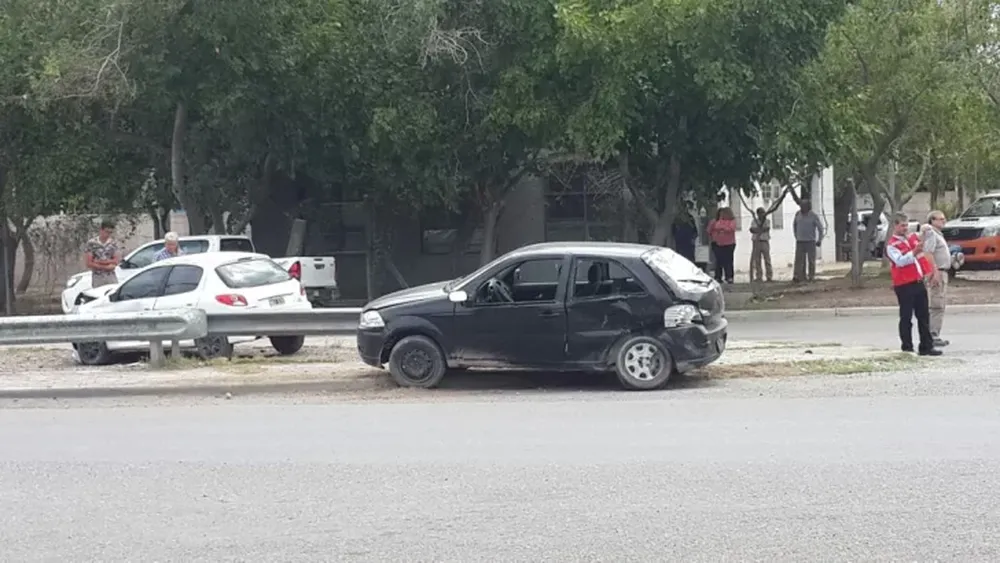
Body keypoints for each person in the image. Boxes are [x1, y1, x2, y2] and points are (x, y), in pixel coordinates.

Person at [885, 212, 941, 356]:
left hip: (918, 282)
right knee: (906, 317)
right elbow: (900, 261)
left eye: (906, 225)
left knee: (923, 316)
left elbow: (922, 256)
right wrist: (914, 252)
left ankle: (926, 346)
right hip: (904, 285)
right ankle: (907, 347)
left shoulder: (911, 239)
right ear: (895, 226)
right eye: (902, 226)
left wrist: (928, 272)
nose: (905, 228)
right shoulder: (892, 245)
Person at [921, 210, 950, 347]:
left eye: (944, 219)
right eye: (940, 219)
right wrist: (934, 271)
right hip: (937, 272)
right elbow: (928, 253)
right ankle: (933, 334)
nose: (943, 221)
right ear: (932, 220)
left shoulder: (938, 234)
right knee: (936, 304)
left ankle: (935, 333)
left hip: (943, 271)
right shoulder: (931, 233)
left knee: (940, 304)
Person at [83, 218, 122, 288]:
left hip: (111, 276)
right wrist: (106, 266)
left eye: (110, 232)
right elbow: (89, 263)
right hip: (98, 277)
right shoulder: (92, 243)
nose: (108, 234)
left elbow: (116, 261)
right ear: (101, 230)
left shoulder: (113, 243)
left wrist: (98, 262)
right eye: (106, 232)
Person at [792, 200, 824, 282]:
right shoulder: (798, 214)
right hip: (800, 241)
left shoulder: (813, 216)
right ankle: (799, 276)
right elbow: (794, 225)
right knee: (799, 260)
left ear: (808, 207)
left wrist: (819, 239)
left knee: (811, 260)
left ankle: (811, 277)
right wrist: (796, 235)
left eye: (804, 206)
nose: (802, 208)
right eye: (801, 206)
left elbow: (820, 228)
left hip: (810, 241)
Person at [707, 207, 736, 284]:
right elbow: (711, 229)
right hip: (718, 243)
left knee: (729, 261)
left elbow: (730, 229)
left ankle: (729, 277)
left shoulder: (732, 221)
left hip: (729, 243)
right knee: (719, 261)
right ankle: (718, 277)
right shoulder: (715, 221)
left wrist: (722, 228)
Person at [749, 207, 773, 282]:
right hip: (756, 241)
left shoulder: (767, 221)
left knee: (767, 259)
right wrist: (759, 230)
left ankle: (769, 276)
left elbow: (766, 228)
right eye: (760, 213)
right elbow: (752, 229)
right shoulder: (754, 221)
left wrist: (758, 230)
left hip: (764, 240)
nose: (762, 214)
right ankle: (759, 276)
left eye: (763, 212)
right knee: (757, 260)